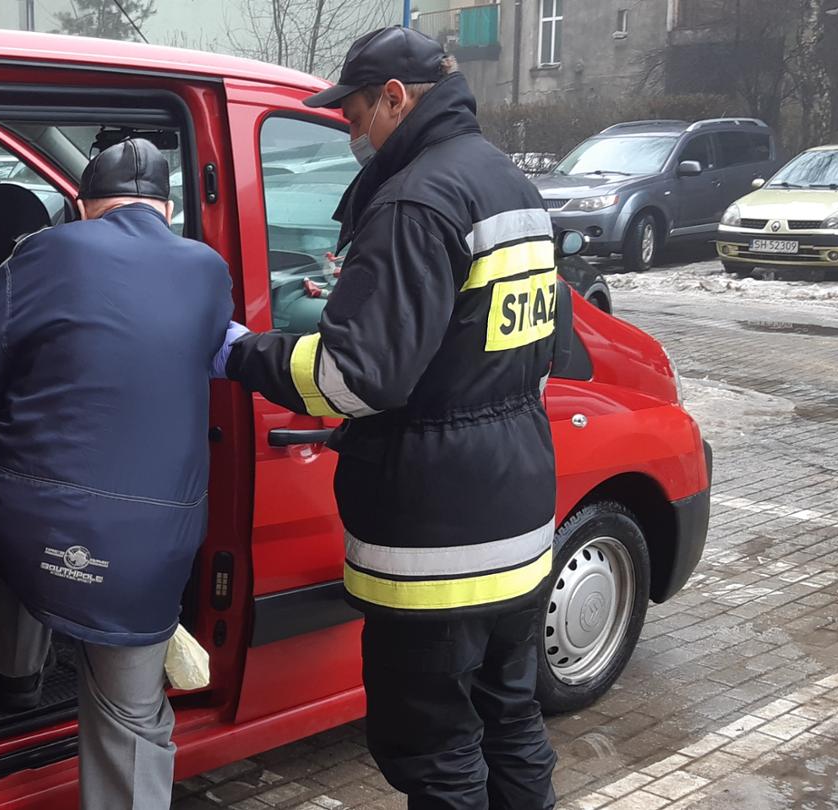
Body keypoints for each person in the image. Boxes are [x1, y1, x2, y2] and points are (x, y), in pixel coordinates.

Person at [215, 26, 564, 810]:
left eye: (356, 114)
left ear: (396, 99)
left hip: (438, 543)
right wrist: (373, 298)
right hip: (517, 514)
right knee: (508, 718)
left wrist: (243, 354)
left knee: (431, 748)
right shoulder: (507, 184)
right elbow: (535, 339)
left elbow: (352, 377)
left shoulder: (415, 201)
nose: (350, 130)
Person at [0, 138, 231, 809]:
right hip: (154, 542)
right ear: (167, 206)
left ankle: (18, 679)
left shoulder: (47, 251)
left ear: (80, 203)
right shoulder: (209, 270)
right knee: (132, 715)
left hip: (35, 521)